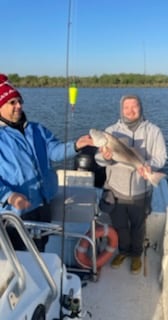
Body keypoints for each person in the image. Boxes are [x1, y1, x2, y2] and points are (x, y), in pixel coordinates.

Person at [0, 74, 93, 251]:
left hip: (43, 204)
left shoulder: (37, 129)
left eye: (19, 101)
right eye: (12, 102)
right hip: (14, 213)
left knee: (41, 248)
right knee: (20, 255)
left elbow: (55, 151)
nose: (19, 106)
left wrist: (76, 145)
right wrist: (9, 196)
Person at [95, 95, 167, 274]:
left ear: (141, 107)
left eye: (134, 107)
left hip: (140, 191)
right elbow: (98, 159)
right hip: (115, 190)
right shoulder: (110, 132)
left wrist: (151, 166)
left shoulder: (154, 131)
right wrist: (104, 157)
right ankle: (123, 251)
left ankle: (136, 254)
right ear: (121, 109)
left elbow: (161, 156)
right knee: (119, 225)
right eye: (126, 107)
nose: (130, 110)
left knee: (138, 226)